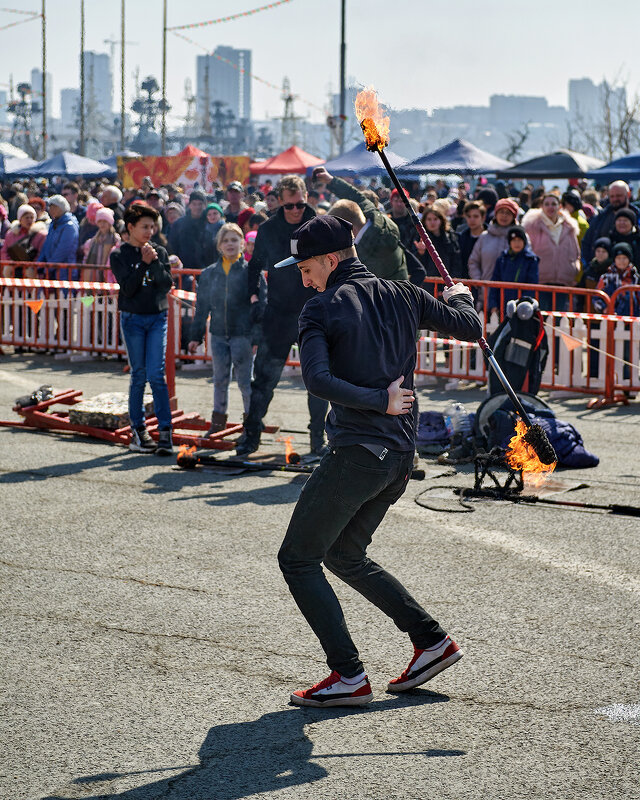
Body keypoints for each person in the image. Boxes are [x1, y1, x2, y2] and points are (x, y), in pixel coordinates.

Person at [275, 215, 482, 707]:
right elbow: (471, 328)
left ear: (331, 259)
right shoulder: (404, 293)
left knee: (297, 559)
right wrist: (462, 298)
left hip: (360, 453)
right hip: (399, 458)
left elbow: (319, 382)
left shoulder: (320, 309)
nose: (304, 279)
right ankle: (431, 642)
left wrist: (377, 400)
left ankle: (347, 675)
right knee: (344, 555)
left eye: (306, 268)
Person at [238, 173, 328, 457]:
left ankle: (318, 438)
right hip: (277, 312)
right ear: (279, 203)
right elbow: (254, 268)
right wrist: (254, 297)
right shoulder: (268, 229)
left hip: (313, 312)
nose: (295, 211)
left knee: (319, 379)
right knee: (264, 378)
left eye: (299, 205)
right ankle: (251, 434)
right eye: (289, 206)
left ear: (306, 199)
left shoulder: (319, 225)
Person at [109, 203, 174, 455]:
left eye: (153, 226)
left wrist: (154, 262)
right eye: (144, 226)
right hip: (133, 319)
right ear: (131, 228)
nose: (150, 231)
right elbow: (128, 288)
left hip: (157, 317)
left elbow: (166, 283)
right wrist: (143, 264)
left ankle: (166, 431)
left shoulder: (159, 251)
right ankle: (138, 430)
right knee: (139, 374)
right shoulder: (119, 255)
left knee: (157, 374)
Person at [188, 223, 266, 434]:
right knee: (220, 380)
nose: (230, 244)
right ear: (219, 245)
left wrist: (257, 337)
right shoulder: (209, 274)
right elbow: (202, 307)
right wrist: (195, 336)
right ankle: (218, 422)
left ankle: (251, 423)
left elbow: (260, 307)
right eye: (225, 240)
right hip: (219, 335)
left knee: (245, 382)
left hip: (243, 335)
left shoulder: (252, 272)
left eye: (234, 240)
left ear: (242, 243)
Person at [314, 167, 410, 282]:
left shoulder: (373, 250)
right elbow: (356, 196)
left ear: (350, 228)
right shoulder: (375, 217)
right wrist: (331, 181)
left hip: (391, 297)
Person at [522, 193, 580, 311]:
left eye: (554, 204)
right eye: (547, 204)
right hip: (540, 281)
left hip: (563, 282)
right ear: (541, 207)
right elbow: (527, 251)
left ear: (559, 207)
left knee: (559, 320)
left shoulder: (569, 227)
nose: (550, 207)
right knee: (541, 318)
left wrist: (575, 271)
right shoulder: (532, 226)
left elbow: (575, 253)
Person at [468, 197, 519, 307]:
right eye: (501, 212)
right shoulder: (484, 237)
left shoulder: (521, 238)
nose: (504, 216)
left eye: (508, 213)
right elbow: (473, 261)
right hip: (486, 291)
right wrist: (479, 281)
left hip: (512, 293)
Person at [581, 180, 640, 263]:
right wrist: (590, 267)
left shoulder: (638, 216)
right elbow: (586, 243)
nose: (615, 199)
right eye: (612, 196)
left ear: (628, 194)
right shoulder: (600, 218)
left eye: (619, 195)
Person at [488, 225, 539, 316]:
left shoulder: (530, 260)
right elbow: (495, 282)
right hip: (503, 304)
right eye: (514, 240)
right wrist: (493, 304)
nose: (517, 243)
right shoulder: (502, 259)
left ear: (524, 242)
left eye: (519, 240)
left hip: (522, 306)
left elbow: (532, 284)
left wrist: (524, 304)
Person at [37, 195, 79, 280]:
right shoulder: (53, 224)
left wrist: (49, 267)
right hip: (51, 270)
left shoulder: (69, 226)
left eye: (53, 207)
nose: (50, 210)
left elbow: (63, 250)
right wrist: (39, 266)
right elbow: (46, 246)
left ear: (61, 207)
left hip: (65, 272)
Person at [415, 204, 463, 278]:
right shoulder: (420, 238)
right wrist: (420, 253)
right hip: (428, 283)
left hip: (447, 282)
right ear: (424, 221)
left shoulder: (450, 237)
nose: (432, 222)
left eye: (435, 219)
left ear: (441, 220)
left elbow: (456, 261)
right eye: (429, 219)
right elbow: (417, 265)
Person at [1, 204, 47, 277]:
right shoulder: (10, 234)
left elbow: (41, 253)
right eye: (26, 217)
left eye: (31, 217)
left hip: (31, 271)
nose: (29, 220)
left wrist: (31, 266)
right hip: (12, 271)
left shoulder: (40, 235)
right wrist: (10, 263)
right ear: (20, 219)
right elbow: (4, 251)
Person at [82, 207, 120, 279]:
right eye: (100, 221)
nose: (102, 224)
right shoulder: (92, 241)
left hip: (109, 275)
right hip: (94, 276)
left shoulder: (116, 240)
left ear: (110, 222)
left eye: (105, 221)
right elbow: (86, 259)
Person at [457, 200, 487, 278]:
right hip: (466, 282)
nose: (472, 220)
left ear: (483, 218)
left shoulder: (490, 237)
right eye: (469, 216)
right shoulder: (461, 238)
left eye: (476, 216)